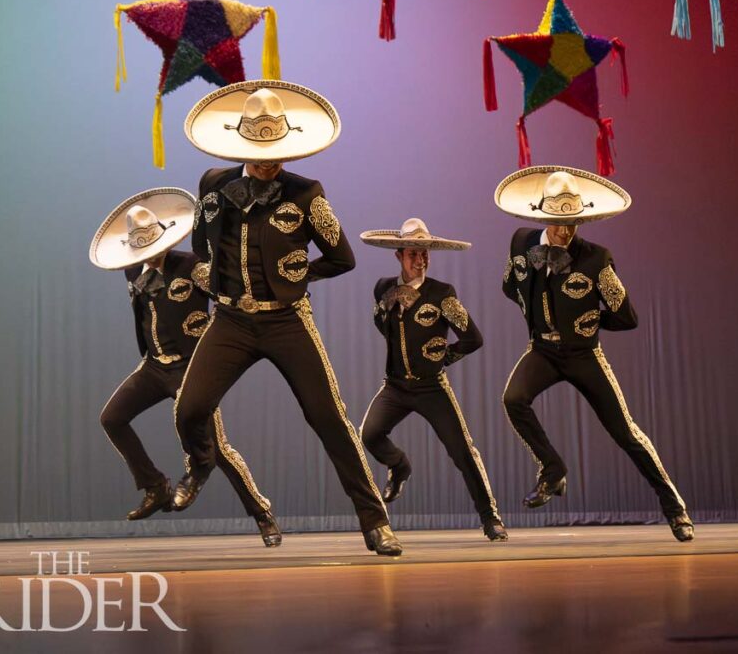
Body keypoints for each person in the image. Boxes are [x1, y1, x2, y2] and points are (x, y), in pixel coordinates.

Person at [174, 81, 401, 556]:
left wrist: (295, 275)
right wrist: (218, 279)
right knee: (190, 408)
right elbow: (200, 243)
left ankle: (375, 521)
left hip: (287, 321)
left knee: (328, 417)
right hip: (232, 321)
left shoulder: (306, 193)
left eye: (274, 149)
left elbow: (343, 257)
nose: (265, 159)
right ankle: (200, 463)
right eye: (257, 148)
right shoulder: (213, 184)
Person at [496, 166, 694, 542]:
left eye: (574, 221)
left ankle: (675, 509)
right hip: (542, 350)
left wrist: (588, 322)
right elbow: (509, 285)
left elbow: (626, 315)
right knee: (513, 399)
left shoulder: (596, 258)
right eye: (559, 222)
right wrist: (536, 312)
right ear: (542, 215)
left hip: (584, 355)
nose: (566, 230)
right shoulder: (521, 242)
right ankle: (553, 470)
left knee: (626, 433)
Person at [89, 188, 281, 547]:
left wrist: (245, 301)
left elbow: (225, 292)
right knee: (111, 418)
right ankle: (155, 486)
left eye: (155, 245)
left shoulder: (191, 265)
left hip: (191, 370)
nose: (152, 254)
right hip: (153, 367)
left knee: (219, 449)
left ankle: (262, 514)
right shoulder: (131, 271)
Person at [359, 219, 508, 541]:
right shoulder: (383, 287)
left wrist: (440, 358)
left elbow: (473, 338)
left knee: (462, 451)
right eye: (413, 254)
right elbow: (380, 323)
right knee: (369, 434)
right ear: (399, 255)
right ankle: (400, 467)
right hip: (395, 386)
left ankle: (490, 518)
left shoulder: (442, 293)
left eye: (425, 254)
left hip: (431, 387)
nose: (420, 260)